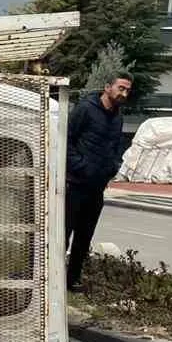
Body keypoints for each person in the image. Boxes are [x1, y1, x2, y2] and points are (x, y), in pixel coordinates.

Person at [64, 71, 133, 292]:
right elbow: (67, 140)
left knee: (84, 237)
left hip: (97, 187)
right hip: (75, 184)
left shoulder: (118, 116)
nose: (124, 93)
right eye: (121, 88)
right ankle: (52, 278)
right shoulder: (86, 109)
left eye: (127, 90)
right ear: (107, 87)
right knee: (63, 234)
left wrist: (112, 167)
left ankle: (72, 279)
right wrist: (80, 166)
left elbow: (116, 147)